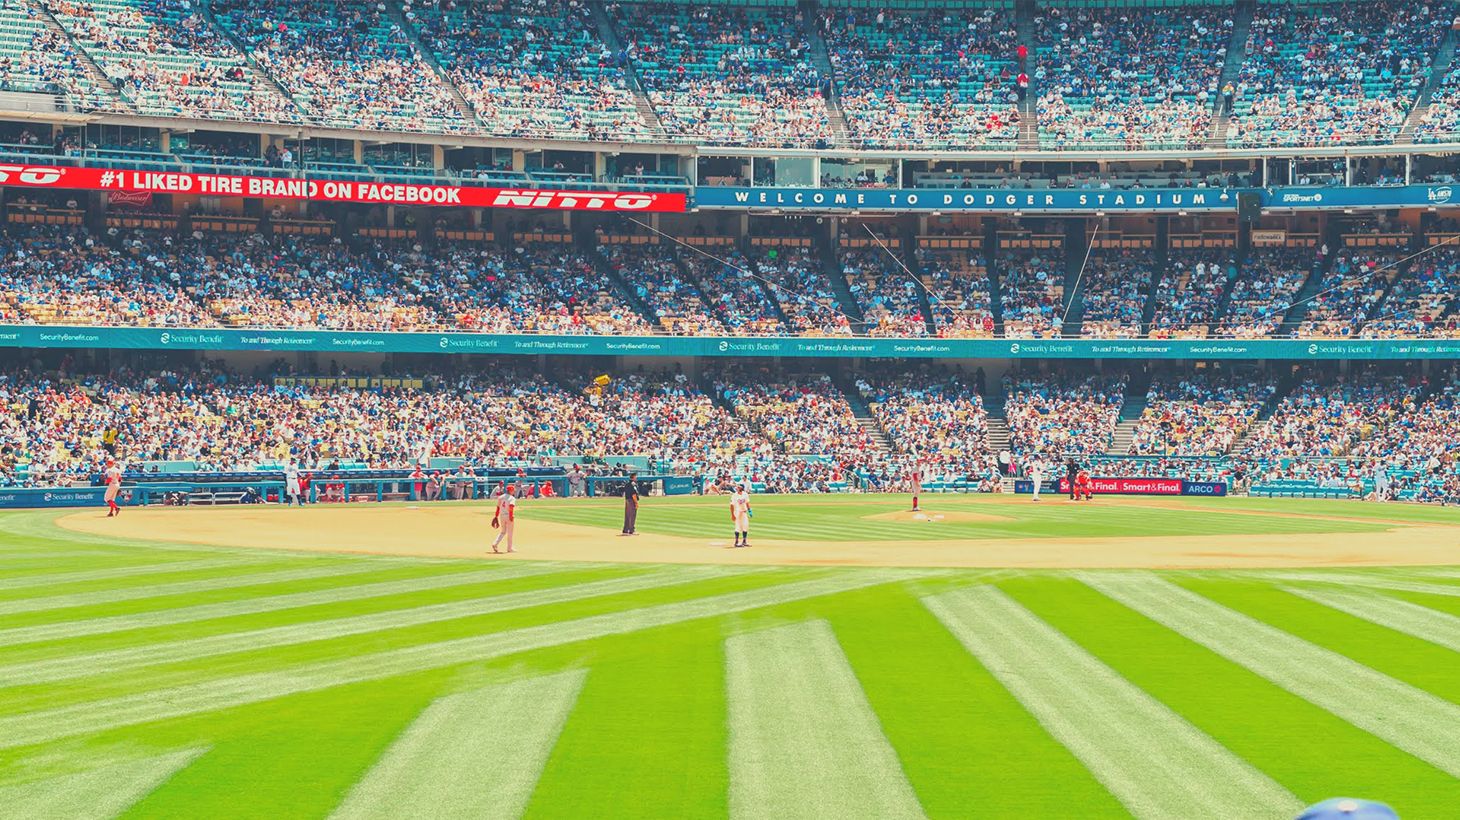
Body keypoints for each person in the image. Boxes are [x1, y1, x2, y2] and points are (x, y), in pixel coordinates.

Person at [491, 482, 517, 554]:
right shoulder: (512, 498)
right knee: (510, 533)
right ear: (510, 490)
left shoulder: (501, 497)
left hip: (501, 516)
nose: (513, 491)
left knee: (503, 532)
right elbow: (511, 507)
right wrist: (511, 516)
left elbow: (498, 508)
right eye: (513, 490)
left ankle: (495, 543)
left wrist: (496, 516)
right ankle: (509, 548)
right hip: (508, 515)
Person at [730, 482, 753, 548]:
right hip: (737, 512)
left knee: (745, 526)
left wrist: (750, 510)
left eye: (739, 487)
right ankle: (736, 542)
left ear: (742, 488)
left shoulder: (745, 494)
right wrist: (732, 515)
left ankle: (744, 541)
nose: (737, 488)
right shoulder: (734, 495)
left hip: (744, 512)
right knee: (738, 527)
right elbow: (731, 505)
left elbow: (747, 503)